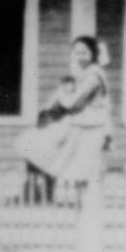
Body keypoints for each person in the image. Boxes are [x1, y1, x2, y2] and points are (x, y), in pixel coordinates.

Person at [14, 35, 113, 200]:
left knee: (46, 150)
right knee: (37, 145)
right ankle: (36, 192)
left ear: (93, 53)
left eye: (85, 53)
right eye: (77, 53)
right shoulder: (84, 74)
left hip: (87, 126)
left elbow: (74, 103)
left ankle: (43, 193)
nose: (81, 57)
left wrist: (61, 97)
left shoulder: (93, 76)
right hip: (78, 122)